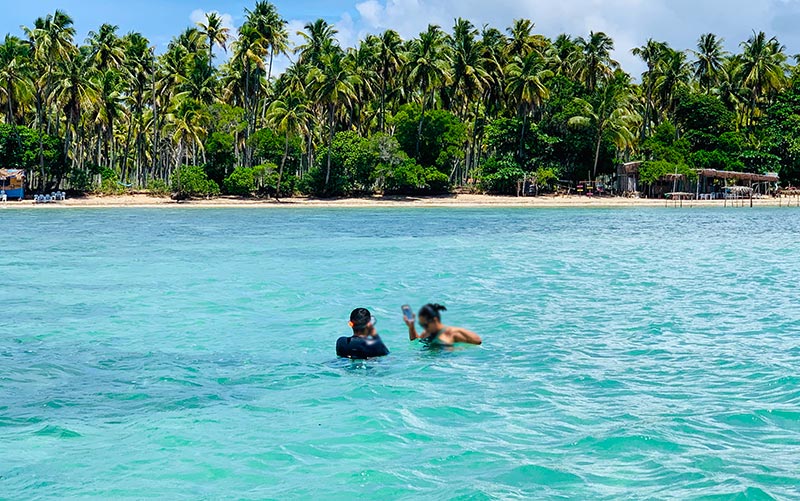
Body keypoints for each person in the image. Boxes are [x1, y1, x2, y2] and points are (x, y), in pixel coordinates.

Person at [404, 303, 482, 346]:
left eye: (425, 324)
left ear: (435, 320)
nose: (424, 327)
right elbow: (415, 341)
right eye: (422, 324)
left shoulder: (451, 333)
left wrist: (457, 329)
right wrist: (411, 327)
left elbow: (478, 341)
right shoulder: (427, 333)